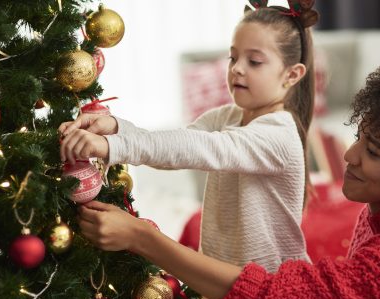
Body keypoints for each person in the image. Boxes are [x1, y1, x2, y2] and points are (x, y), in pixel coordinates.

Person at [74, 48, 380, 299]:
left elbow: (272, 298)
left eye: (373, 152)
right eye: (359, 137)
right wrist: (121, 132)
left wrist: (143, 239)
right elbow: (190, 140)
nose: (350, 156)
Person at [60, 0, 319, 275]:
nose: (237, 69)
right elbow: (177, 144)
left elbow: (202, 148)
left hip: (277, 292)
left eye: (254, 61)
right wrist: (115, 127)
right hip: (231, 287)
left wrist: (113, 146)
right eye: (233, 58)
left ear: (292, 75)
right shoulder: (226, 116)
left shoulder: (278, 133)